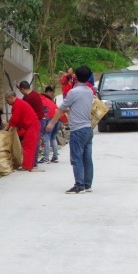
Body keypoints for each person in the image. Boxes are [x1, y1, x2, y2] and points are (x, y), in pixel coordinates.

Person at [47, 65, 95, 193]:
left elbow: (61, 109)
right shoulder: (89, 91)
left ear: (76, 76)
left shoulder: (73, 92)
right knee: (87, 158)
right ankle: (87, 184)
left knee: (76, 158)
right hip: (88, 128)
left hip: (78, 129)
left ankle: (79, 186)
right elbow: (76, 106)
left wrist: (52, 123)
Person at [4, 91, 41, 172]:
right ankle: (29, 165)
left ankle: (27, 166)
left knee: (28, 145)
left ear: (11, 97)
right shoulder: (18, 103)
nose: (8, 103)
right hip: (31, 125)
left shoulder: (17, 104)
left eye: (7, 100)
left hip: (32, 125)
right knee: (29, 145)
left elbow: (15, 120)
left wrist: (8, 128)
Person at [17, 80, 50, 164]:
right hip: (40, 120)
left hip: (37, 121)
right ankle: (33, 162)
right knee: (35, 141)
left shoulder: (29, 98)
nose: (20, 92)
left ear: (23, 89)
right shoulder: (33, 93)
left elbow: (23, 108)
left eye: (20, 90)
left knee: (34, 142)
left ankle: (33, 162)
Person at [39, 86, 61, 163]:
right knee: (53, 138)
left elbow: (44, 112)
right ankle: (55, 157)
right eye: (51, 93)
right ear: (48, 92)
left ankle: (46, 158)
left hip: (50, 119)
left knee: (46, 138)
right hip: (58, 119)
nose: (52, 94)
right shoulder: (50, 101)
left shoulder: (42, 99)